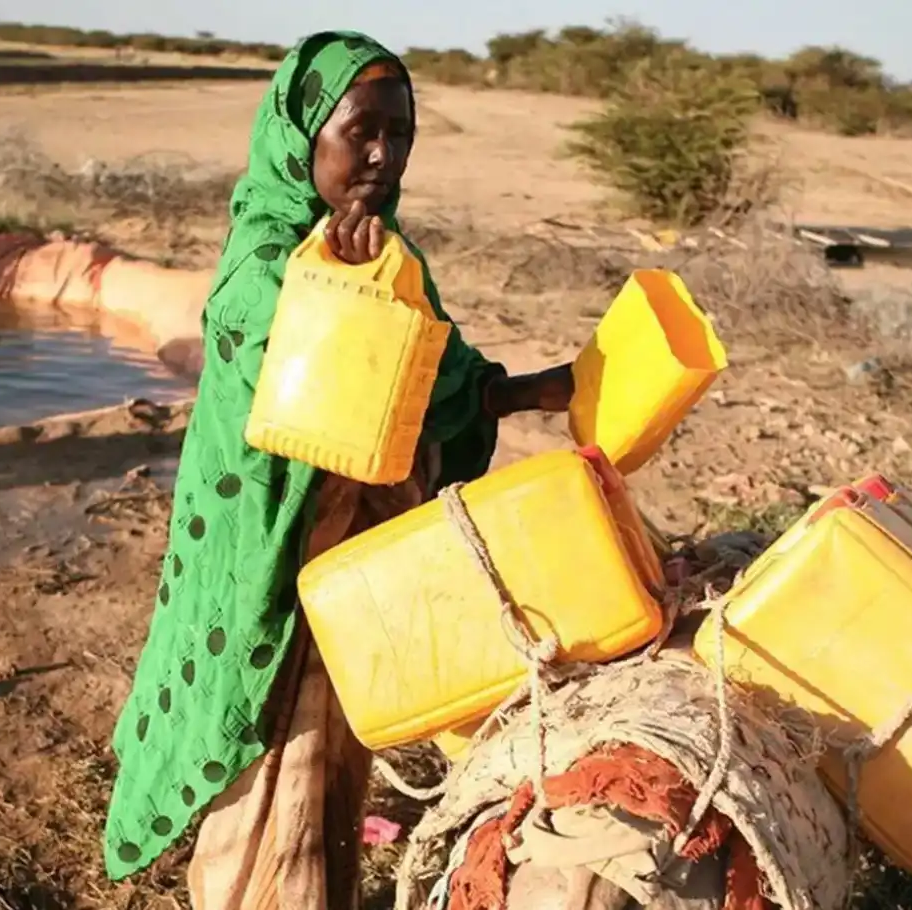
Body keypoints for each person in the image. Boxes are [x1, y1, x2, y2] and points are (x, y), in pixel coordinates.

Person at [104, 31, 576, 909]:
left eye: (399, 135)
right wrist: (342, 299)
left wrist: (538, 391)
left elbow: (435, 376)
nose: (382, 155)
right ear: (302, 133)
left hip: (346, 562)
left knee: (329, 758)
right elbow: (308, 400)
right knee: (274, 764)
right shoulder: (264, 260)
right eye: (360, 131)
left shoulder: (382, 250)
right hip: (274, 564)